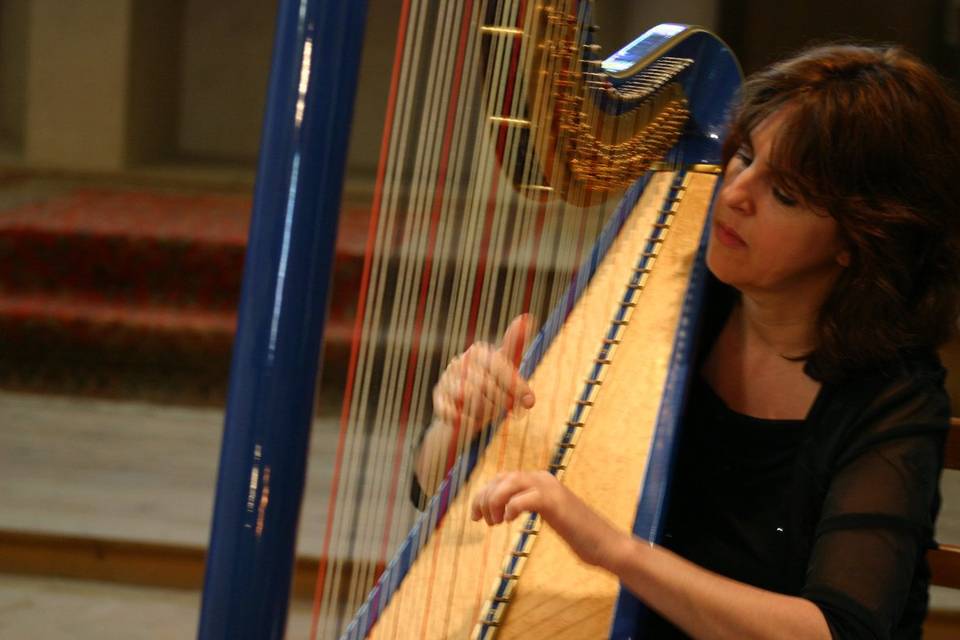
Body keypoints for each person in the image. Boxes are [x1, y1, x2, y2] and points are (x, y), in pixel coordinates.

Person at [413, 43, 960, 638]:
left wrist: (615, 552)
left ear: (859, 237)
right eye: (744, 157)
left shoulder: (892, 398)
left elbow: (837, 629)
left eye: (785, 194)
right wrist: (459, 423)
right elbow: (436, 490)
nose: (735, 194)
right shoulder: (674, 292)